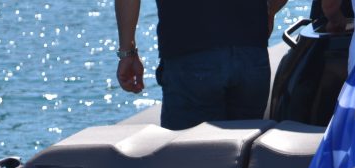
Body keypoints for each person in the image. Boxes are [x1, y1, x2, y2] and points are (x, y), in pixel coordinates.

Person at [115, 0, 288, 131]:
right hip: (250, 56)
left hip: (190, 55)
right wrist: (268, 12)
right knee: (245, 156)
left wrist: (127, 52)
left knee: (188, 158)